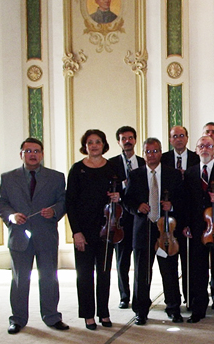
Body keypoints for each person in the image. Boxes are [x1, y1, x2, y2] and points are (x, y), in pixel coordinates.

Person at [0, 138, 69, 334]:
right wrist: (11, 215)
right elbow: (0, 203)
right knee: (20, 279)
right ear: (21, 154)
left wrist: (54, 211)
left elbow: (63, 201)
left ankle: (52, 317)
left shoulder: (56, 177)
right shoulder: (8, 177)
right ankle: (17, 319)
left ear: (42, 154)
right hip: (19, 237)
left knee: (49, 278)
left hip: (46, 235)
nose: (32, 154)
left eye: (36, 151)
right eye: (28, 151)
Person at [123, 137, 185, 326]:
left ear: (161, 152)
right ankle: (141, 311)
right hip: (143, 229)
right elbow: (126, 201)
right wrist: (137, 207)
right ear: (143, 154)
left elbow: (184, 199)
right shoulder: (135, 175)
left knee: (170, 271)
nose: (152, 155)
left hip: (166, 230)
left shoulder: (173, 174)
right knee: (142, 273)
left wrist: (172, 204)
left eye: (155, 151)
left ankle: (173, 308)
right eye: (148, 151)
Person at [66, 129, 120, 330]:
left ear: (104, 144)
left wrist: (117, 197)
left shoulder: (112, 168)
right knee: (84, 273)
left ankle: (104, 312)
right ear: (85, 146)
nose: (94, 145)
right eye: (90, 142)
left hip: (106, 228)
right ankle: (88, 315)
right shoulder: (77, 169)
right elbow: (70, 203)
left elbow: (120, 193)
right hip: (84, 229)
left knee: (104, 273)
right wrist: (76, 232)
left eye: (98, 141)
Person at [183, 136, 214, 323]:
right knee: (198, 269)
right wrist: (186, 224)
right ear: (196, 150)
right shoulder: (190, 173)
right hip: (197, 227)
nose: (205, 149)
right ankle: (199, 307)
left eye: (209, 146)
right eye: (201, 146)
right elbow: (185, 202)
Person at [161, 125, 200, 307]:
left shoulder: (196, 158)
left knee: (190, 264)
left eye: (182, 135)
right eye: (175, 136)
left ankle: (191, 299)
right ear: (170, 140)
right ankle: (172, 302)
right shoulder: (163, 159)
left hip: (188, 218)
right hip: (167, 221)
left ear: (187, 138)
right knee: (169, 265)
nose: (178, 139)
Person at [108, 126, 145, 309]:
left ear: (135, 140)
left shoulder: (144, 162)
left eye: (130, 138)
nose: (127, 141)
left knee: (140, 260)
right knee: (122, 260)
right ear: (119, 142)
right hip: (120, 219)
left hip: (138, 218)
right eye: (124, 138)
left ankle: (140, 295)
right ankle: (124, 295)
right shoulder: (111, 164)